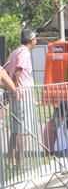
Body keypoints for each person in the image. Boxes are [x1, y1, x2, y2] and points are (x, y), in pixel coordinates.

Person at [5, 27, 37, 168]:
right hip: (22, 96)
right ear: (31, 40)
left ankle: (11, 160)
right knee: (21, 131)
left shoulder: (14, 52)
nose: (36, 41)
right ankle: (20, 162)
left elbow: (6, 72)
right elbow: (17, 73)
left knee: (15, 130)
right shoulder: (24, 53)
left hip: (17, 96)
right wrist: (15, 90)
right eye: (35, 38)